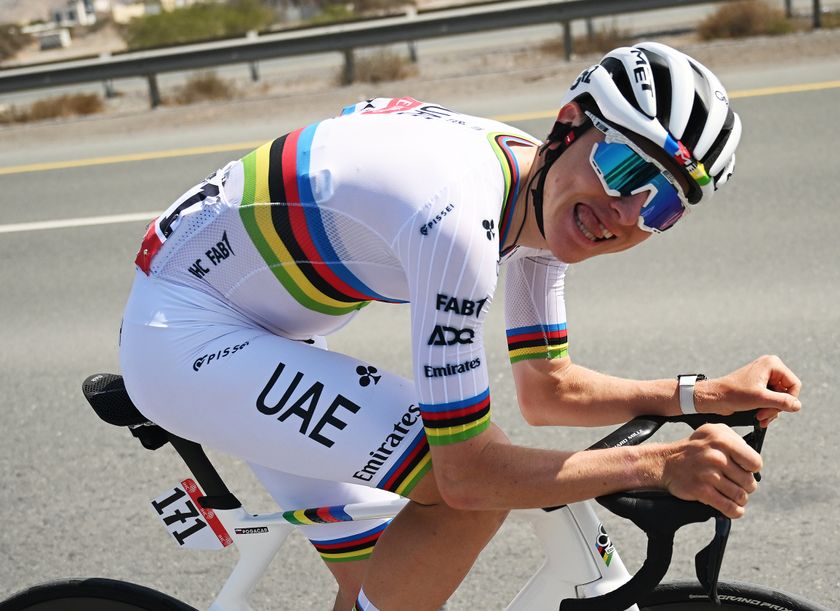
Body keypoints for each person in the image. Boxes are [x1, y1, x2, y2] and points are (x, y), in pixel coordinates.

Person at [119, 42, 802, 610]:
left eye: (663, 208)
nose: (627, 214)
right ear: (569, 122)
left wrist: (700, 395)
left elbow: (548, 388)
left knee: (387, 584)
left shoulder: (537, 194)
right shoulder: (459, 221)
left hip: (265, 328)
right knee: (461, 502)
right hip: (186, 336)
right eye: (624, 168)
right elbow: (469, 477)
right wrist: (656, 463)